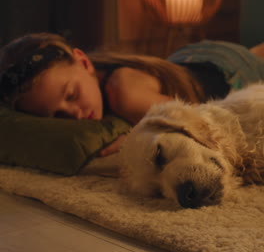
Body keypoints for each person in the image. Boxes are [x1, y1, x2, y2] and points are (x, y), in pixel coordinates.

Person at [1, 32, 264, 156]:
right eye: (58, 115)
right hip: (189, 59)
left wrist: (134, 140)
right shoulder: (99, 76)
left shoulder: (123, 93)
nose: (75, 115)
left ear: (83, 62)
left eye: (71, 95)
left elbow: (197, 121)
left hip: (229, 71)